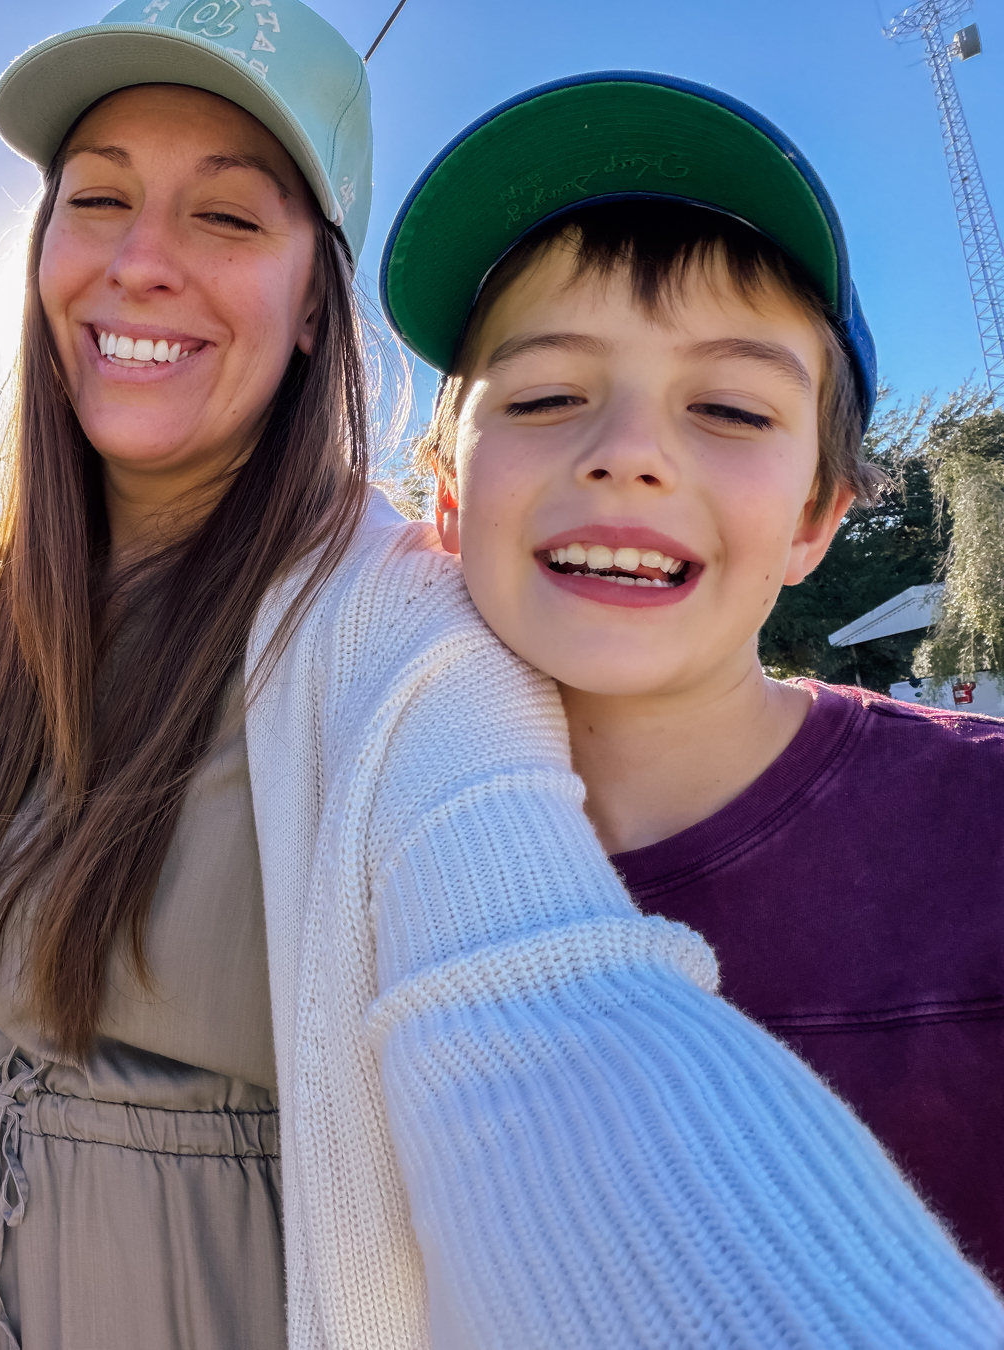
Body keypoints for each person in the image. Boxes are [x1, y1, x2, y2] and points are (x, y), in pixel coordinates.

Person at [0, 8, 1004, 1347]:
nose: (142, 256)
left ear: (312, 307)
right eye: (98, 195)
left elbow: (546, 1028)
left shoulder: (399, 639)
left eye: (229, 216)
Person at [380, 70, 1004, 1283]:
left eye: (726, 407)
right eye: (550, 394)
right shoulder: (350, 867)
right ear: (448, 499)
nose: (628, 455)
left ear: (818, 515)